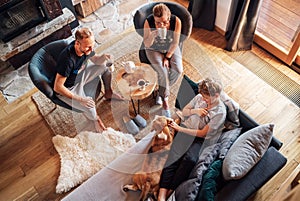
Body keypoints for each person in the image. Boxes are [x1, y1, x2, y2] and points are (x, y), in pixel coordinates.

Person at [157, 78, 227, 201]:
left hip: (199, 138)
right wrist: (196, 111)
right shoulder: (199, 98)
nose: (204, 100)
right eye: (203, 97)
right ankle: (161, 195)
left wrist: (179, 129)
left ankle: (170, 193)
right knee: (174, 156)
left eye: (207, 98)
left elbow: (202, 134)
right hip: (186, 127)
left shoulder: (220, 112)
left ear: (216, 95)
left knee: (190, 160)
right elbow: (184, 111)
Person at [54, 27, 123, 133]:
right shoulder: (68, 60)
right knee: (90, 107)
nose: (91, 50)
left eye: (92, 46)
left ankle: (108, 93)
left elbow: (96, 61)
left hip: (82, 76)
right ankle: (95, 119)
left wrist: (104, 57)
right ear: (77, 43)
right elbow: (58, 87)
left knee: (106, 68)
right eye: (88, 47)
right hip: (70, 87)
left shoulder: (86, 47)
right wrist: (81, 99)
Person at [143, 3, 183, 117]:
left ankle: (161, 91)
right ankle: (165, 100)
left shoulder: (176, 21)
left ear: (169, 18)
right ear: (154, 19)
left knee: (178, 70)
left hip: (170, 46)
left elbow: (175, 42)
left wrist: (167, 57)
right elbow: (146, 43)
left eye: (165, 22)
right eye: (158, 23)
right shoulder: (148, 22)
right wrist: (153, 34)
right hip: (153, 48)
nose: (162, 25)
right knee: (163, 71)